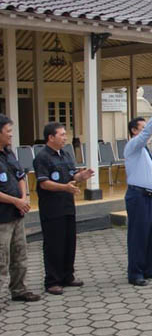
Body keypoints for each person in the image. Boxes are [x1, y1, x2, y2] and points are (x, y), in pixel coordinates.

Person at [33, 122, 94, 295]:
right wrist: (65, 188)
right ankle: (52, 281)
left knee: (69, 243)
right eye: (61, 134)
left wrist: (81, 176)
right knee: (54, 244)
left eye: (65, 134)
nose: (65, 137)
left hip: (67, 206)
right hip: (52, 209)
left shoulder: (66, 154)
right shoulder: (42, 157)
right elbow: (44, 183)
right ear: (50, 137)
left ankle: (68, 275)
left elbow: (71, 176)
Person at [124, 101, 152, 286]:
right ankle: (135, 273)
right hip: (138, 196)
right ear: (134, 131)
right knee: (138, 235)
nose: (146, 132)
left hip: (151, 196)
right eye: (142, 128)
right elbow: (146, 134)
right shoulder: (133, 146)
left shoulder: (145, 150)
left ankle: (148, 269)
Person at [0, 114, 40, 302]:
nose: (11, 135)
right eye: (8, 131)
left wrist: (23, 198)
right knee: (2, 258)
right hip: (2, 218)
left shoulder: (9, 152)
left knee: (19, 254)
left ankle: (19, 290)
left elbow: (20, 176)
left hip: (16, 214)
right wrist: (16, 201)